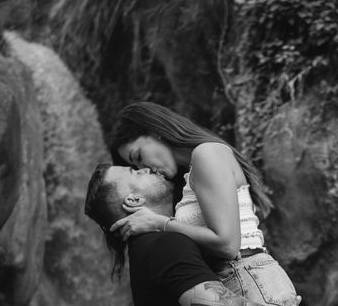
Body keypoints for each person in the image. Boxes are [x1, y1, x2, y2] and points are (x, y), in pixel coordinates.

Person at [107, 101, 299, 306]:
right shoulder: (190, 174)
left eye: (138, 156)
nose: (144, 168)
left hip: (247, 278)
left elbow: (227, 245)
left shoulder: (206, 154)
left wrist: (159, 223)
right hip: (242, 282)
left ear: (156, 132)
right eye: (134, 166)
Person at [84, 163, 266, 306]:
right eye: (136, 172)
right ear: (134, 200)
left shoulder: (146, 249)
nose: (147, 168)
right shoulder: (163, 247)